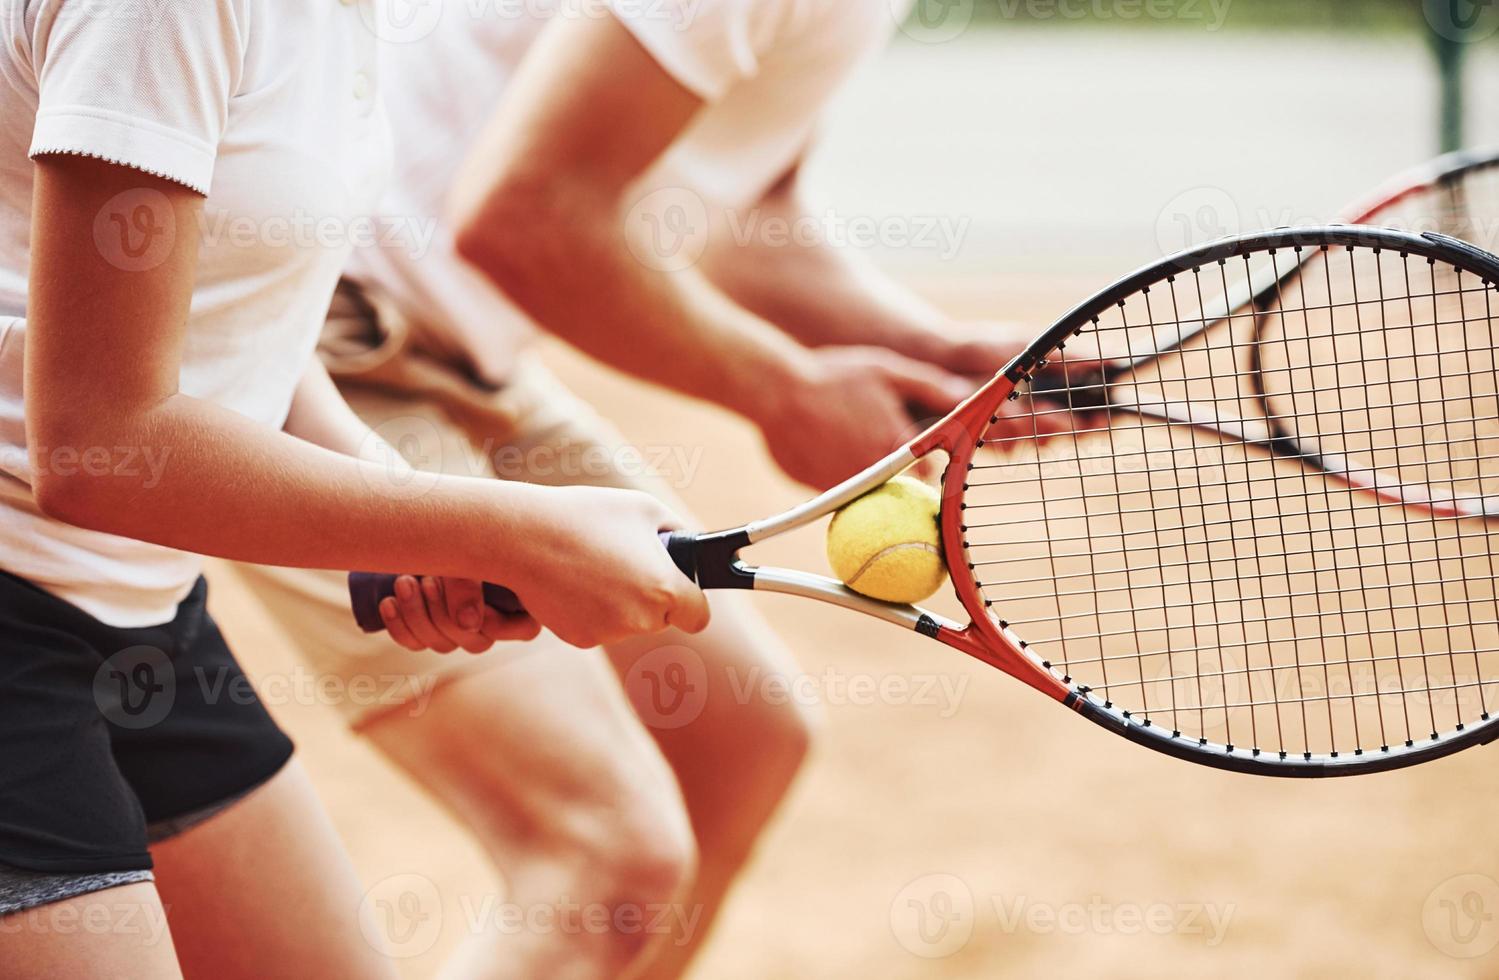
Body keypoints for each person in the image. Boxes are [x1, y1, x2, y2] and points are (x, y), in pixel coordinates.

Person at [233, 2, 1058, 977]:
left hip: (471, 353)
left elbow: (746, 217)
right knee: (600, 848)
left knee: (739, 738)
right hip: (326, 336)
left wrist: (925, 347)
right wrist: (783, 392)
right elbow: (523, 218)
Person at [0, 1, 705, 976]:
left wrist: (407, 518)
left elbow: (239, 314)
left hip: (134, 609)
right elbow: (97, 445)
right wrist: (509, 532)